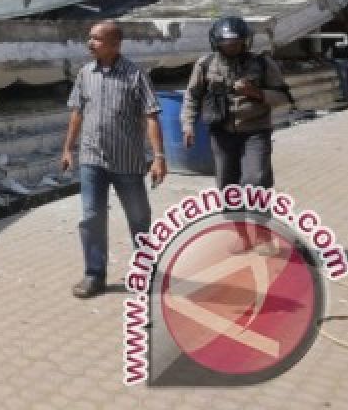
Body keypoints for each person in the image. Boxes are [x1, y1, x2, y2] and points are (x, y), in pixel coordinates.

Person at [61, 20, 166, 299]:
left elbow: (151, 116)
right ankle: (94, 275)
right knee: (92, 217)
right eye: (90, 37)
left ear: (115, 44)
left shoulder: (135, 75)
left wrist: (158, 157)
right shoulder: (85, 73)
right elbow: (77, 112)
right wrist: (68, 149)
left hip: (127, 162)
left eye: (96, 39)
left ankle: (144, 271)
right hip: (92, 158)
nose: (90, 43)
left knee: (138, 218)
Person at [181, 16, 291, 189]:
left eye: (238, 42)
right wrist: (188, 125)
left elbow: (284, 98)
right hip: (221, 132)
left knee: (256, 180)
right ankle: (233, 215)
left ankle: (258, 215)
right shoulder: (205, 65)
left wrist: (256, 93)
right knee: (227, 185)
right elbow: (192, 96)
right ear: (217, 42)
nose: (233, 47)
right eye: (228, 43)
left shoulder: (262, 63)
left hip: (255, 131)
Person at [329, 36, 348, 102]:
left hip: (340, 63)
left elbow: (329, 56)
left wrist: (331, 60)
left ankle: (346, 97)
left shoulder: (334, 46)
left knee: (344, 81)